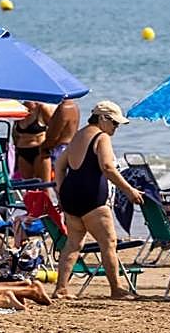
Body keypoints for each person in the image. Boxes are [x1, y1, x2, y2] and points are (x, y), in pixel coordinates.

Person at [53, 101, 143, 299]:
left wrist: (61, 192)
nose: (116, 128)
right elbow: (108, 167)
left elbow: (59, 165)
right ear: (103, 118)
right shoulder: (101, 137)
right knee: (108, 242)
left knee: (73, 244)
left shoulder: (77, 136)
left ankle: (61, 289)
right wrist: (129, 190)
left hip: (70, 196)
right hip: (91, 198)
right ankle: (117, 289)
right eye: (115, 123)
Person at [39, 98, 80, 183]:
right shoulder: (75, 107)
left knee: (58, 183)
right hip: (71, 146)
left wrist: (44, 147)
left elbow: (54, 135)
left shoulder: (63, 108)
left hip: (60, 148)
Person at [13, 102, 47, 179]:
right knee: (27, 184)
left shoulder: (41, 109)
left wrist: (49, 145)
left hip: (39, 150)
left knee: (44, 183)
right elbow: (14, 132)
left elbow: (53, 127)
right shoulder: (19, 110)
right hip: (22, 151)